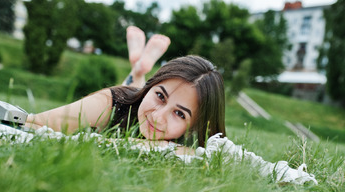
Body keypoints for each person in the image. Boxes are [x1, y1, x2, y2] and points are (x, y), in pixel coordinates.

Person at [24, 26, 226, 152]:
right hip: (129, 99)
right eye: (160, 96)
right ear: (150, 87)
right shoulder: (111, 103)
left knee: (139, 97)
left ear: (196, 125)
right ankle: (139, 71)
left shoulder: (198, 141)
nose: (157, 116)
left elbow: (227, 159)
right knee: (130, 91)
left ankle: (139, 68)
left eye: (180, 114)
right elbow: (32, 124)